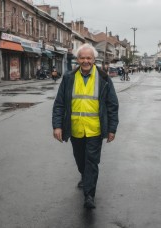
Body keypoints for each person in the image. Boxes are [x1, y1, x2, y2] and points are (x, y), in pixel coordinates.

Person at [52, 43, 119, 209]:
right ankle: (84, 176)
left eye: (89, 58)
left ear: (94, 59)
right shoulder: (68, 78)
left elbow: (112, 105)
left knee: (91, 162)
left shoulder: (103, 78)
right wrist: (57, 126)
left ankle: (89, 195)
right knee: (80, 160)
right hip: (75, 129)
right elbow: (59, 104)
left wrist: (112, 129)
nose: (85, 61)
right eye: (82, 58)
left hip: (95, 130)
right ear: (78, 59)